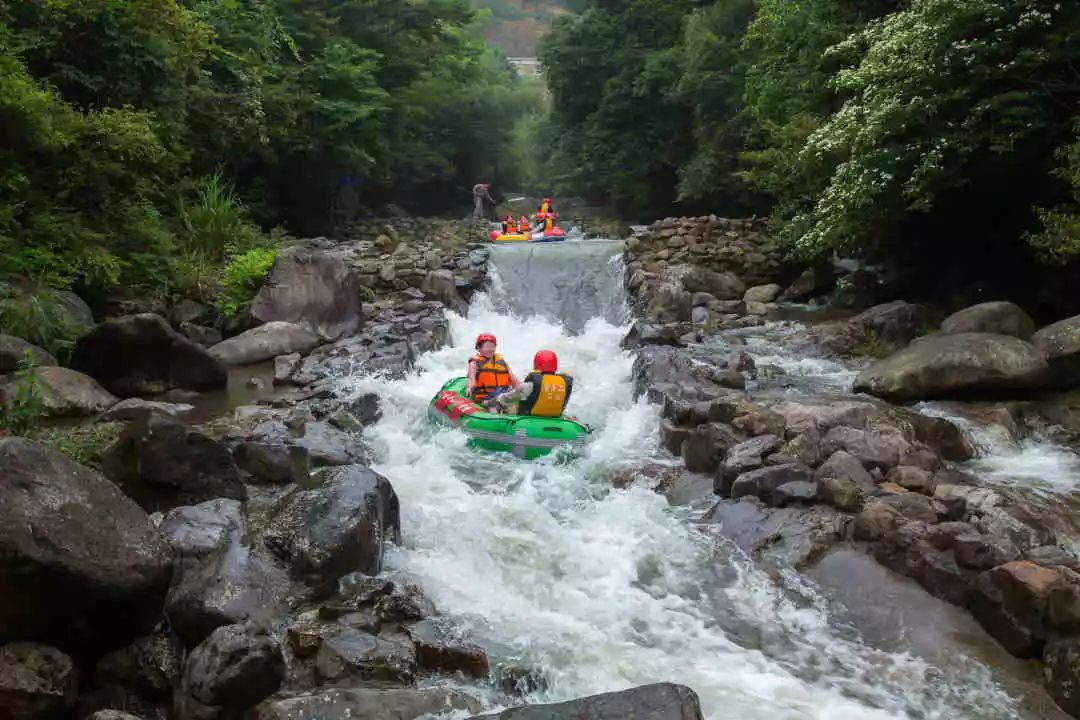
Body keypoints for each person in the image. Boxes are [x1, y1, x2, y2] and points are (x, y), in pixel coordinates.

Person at [487, 350, 572, 417]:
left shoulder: (528, 386)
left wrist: (490, 402)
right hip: (554, 418)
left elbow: (505, 399)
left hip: (528, 419)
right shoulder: (564, 383)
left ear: (536, 364)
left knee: (500, 403)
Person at [467, 333, 519, 403]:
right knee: (498, 400)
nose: (490, 349)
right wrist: (469, 388)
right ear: (478, 348)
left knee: (517, 392)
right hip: (485, 398)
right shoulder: (474, 362)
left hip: (503, 393)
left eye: (492, 346)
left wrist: (518, 388)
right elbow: (471, 378)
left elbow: (513, 378)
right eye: (487, 347)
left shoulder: (501, 361)